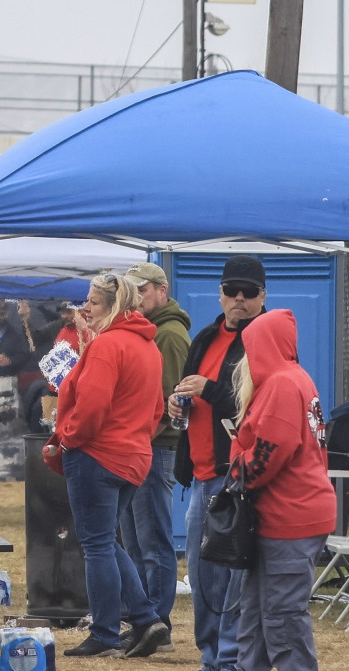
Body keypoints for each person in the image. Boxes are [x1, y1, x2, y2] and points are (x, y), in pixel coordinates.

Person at [211, 309, 335, 671]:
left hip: (289, 516)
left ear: (261, 345)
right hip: (287, 513)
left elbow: (267, 455)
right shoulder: (295, 378)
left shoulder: (281, 384)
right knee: (257, 605)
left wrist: (236, 465)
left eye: (250, 346)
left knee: (281, 611)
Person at [47, 272, 170, 659]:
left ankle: (104, 632)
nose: (85, 308)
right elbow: (157, 410)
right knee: (106, 541)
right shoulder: (147, 347)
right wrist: (134, 438)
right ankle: (148, 619)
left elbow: (93, 407)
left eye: (94, 302)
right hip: (133, 457)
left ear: (115, 305)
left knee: (97, 543)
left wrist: (68, 437)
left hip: (96, 455)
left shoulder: (108, 346)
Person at [168, 255, 267, 671]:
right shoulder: (206, 336)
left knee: (230, 577)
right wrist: (177, 403)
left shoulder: (265, 340)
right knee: (204, 575)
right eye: (232, 290)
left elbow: (259, 405)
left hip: (237, 476)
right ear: (221, 293)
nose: (239, 300)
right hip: (203, 472)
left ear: (263, 296)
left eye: (249, 292)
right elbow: (189, 390)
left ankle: (231, 664)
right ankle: (212, 661)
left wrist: (209, 391)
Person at [120, 262, 191, 650]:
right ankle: (144, 620)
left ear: (162, 290)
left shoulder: (169, 334)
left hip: (155, 447)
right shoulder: (153, 331)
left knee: (152, 542)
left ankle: (157, 622)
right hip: (143, 446)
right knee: (136, 541)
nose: (138, 297)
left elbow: (169, 403)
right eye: (134, 290)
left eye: (143, 290)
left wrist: (138, 433)